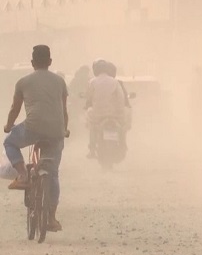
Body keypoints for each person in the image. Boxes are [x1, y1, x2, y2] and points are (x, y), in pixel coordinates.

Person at [3, 45, 69, 232]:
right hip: (56, 131)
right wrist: (65, 129)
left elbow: (14, 110)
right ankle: (51, 218)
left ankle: (23, 175)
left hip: (32, 129)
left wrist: (9, 126)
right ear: (50, 62)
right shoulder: (60, 81)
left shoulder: (23, 82)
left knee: (9, 142)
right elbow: (64, 111)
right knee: (53, 173)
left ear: (32, 63)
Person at [85, 59, 125, 158]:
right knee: (122, 127)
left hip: (97, 114)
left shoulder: (92, 82)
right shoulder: (115, 82)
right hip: (114, 114)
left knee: (92, 126)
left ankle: (92, 150)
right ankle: (122, 145)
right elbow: (121, 98)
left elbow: (89, 97)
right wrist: (119, 110)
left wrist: (88, 105)